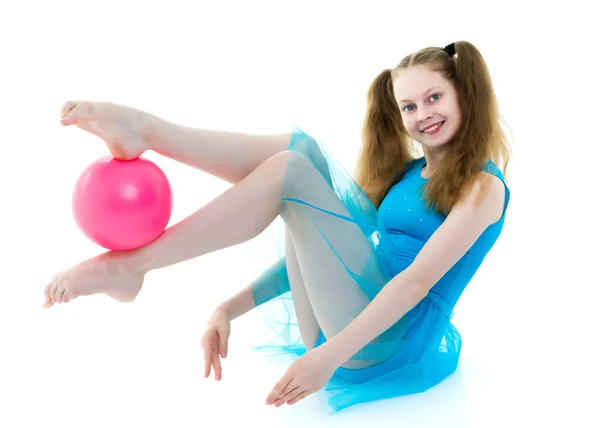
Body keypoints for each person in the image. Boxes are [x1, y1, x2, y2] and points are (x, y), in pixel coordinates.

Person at [43, 40, 511, 413]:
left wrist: (325, 359)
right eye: (409, 107)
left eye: (434, 98)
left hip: (381, 343)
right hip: (346, 322)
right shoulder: (409, 174)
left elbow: (415, 282)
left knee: (294, 170)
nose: (422, 114)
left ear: (464, 95)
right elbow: (321, 255)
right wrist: (228, 308)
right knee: (302, 154)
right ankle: (149, 133)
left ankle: (134, 263)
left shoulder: (482, 187)